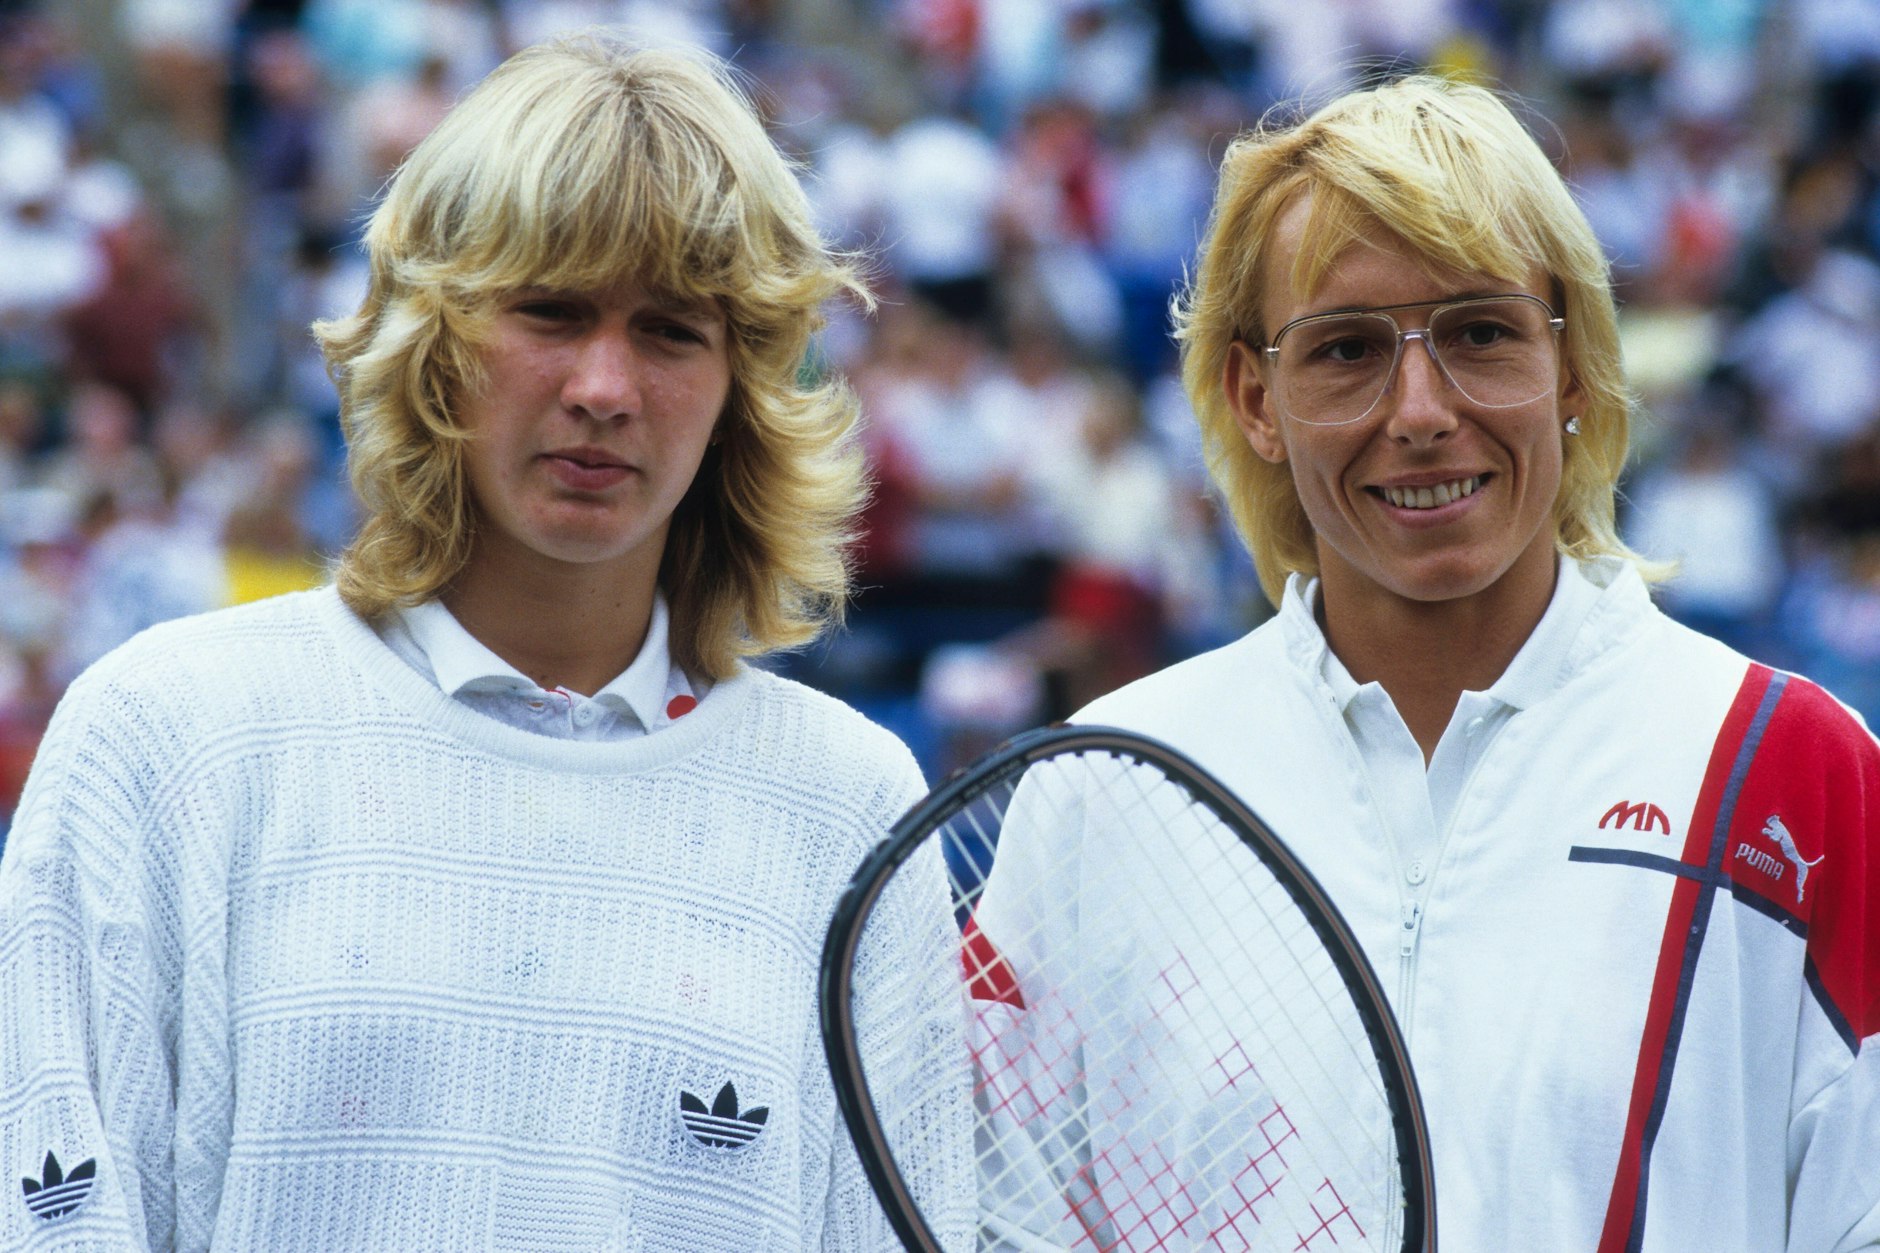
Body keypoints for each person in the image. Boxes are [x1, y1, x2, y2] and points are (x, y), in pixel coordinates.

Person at [0, 33, 971, 1252]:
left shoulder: (850, 804)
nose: (604, 385)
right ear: (433, 334)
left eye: (671, 329)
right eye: (550, 311)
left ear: (742, 385)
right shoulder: (166, 734)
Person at [971, 75, 1879, 1250]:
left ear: (1569, 361)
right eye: (1345, 348)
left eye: (1479, 332)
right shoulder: (1103, 788)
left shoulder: (1802, 774)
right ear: (1255, 395)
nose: (1418, 408)